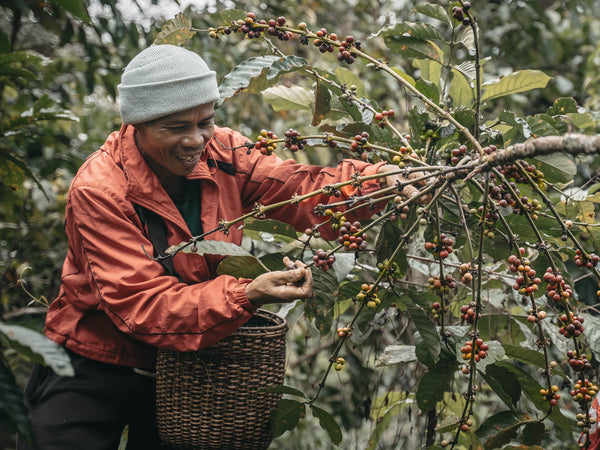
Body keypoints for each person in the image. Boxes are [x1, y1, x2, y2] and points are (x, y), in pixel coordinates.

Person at [17, 44, 424, 450]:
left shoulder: (223, 152)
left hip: (189, 362)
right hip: (93, 359)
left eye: (205, 122)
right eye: (176, 128)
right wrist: (247, 294)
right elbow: (144, 305)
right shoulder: (100, 190)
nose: (195, 140)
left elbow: (300, 189)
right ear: (136, 125)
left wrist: (378, 181)